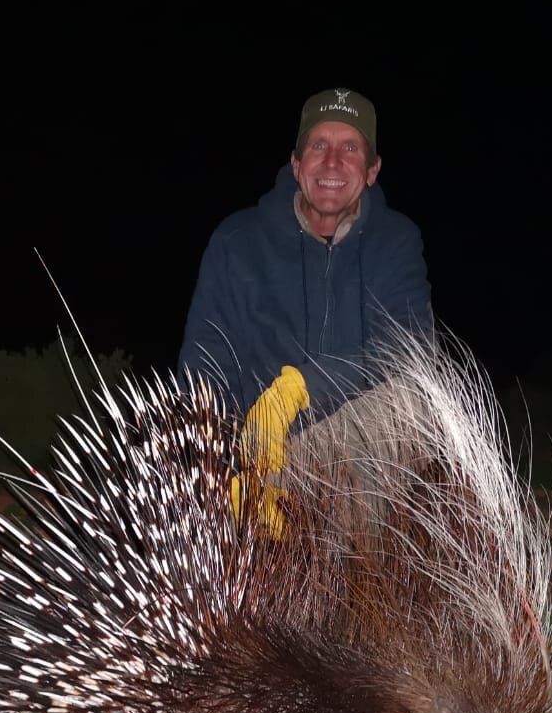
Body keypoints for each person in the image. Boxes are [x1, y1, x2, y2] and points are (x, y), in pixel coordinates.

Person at [177, 87, 433, 537]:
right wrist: (226, 464)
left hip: (350, 446)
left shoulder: (396, 241)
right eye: (318, 146)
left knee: (413, 403)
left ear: (372, 170)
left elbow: (407, 348)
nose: (332, 162)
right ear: (296, 164)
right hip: (257, 455)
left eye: (350, 148)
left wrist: (301, 388)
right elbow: (204, 366)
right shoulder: (236, 242)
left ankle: (344, 569)